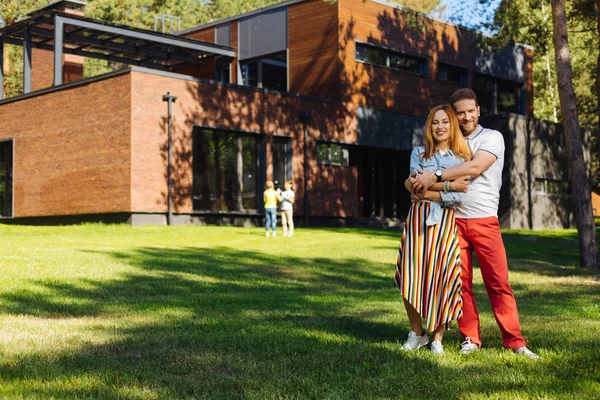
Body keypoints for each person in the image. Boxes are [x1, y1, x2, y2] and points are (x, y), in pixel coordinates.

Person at [411, 88, 539, 359]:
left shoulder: (492, 137)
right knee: (461, 284)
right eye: (460, 112)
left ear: (479, 110)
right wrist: (423, 182)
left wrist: (433, 175)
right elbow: (415, 183)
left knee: (498, 283)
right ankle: (470, 337)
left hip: (484, 221)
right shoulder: (450, 144)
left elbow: (474, 168)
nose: (467, 116)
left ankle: (515, 341)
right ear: (454, 115)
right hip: (452, 221)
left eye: (471, 110)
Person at [395, 105, 472, 355]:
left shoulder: (462, 158)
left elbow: (456, 198)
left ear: (452, 126)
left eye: (445, 122)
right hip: (418, 219)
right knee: (411, 274)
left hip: (445, 222)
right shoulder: (419, 152)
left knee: (442, 276)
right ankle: (417, 334)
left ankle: (437, 338)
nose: (440, 127)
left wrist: (427, 190)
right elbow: (415, 188)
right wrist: (448, 186)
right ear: (430, 127)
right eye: (435, 122)